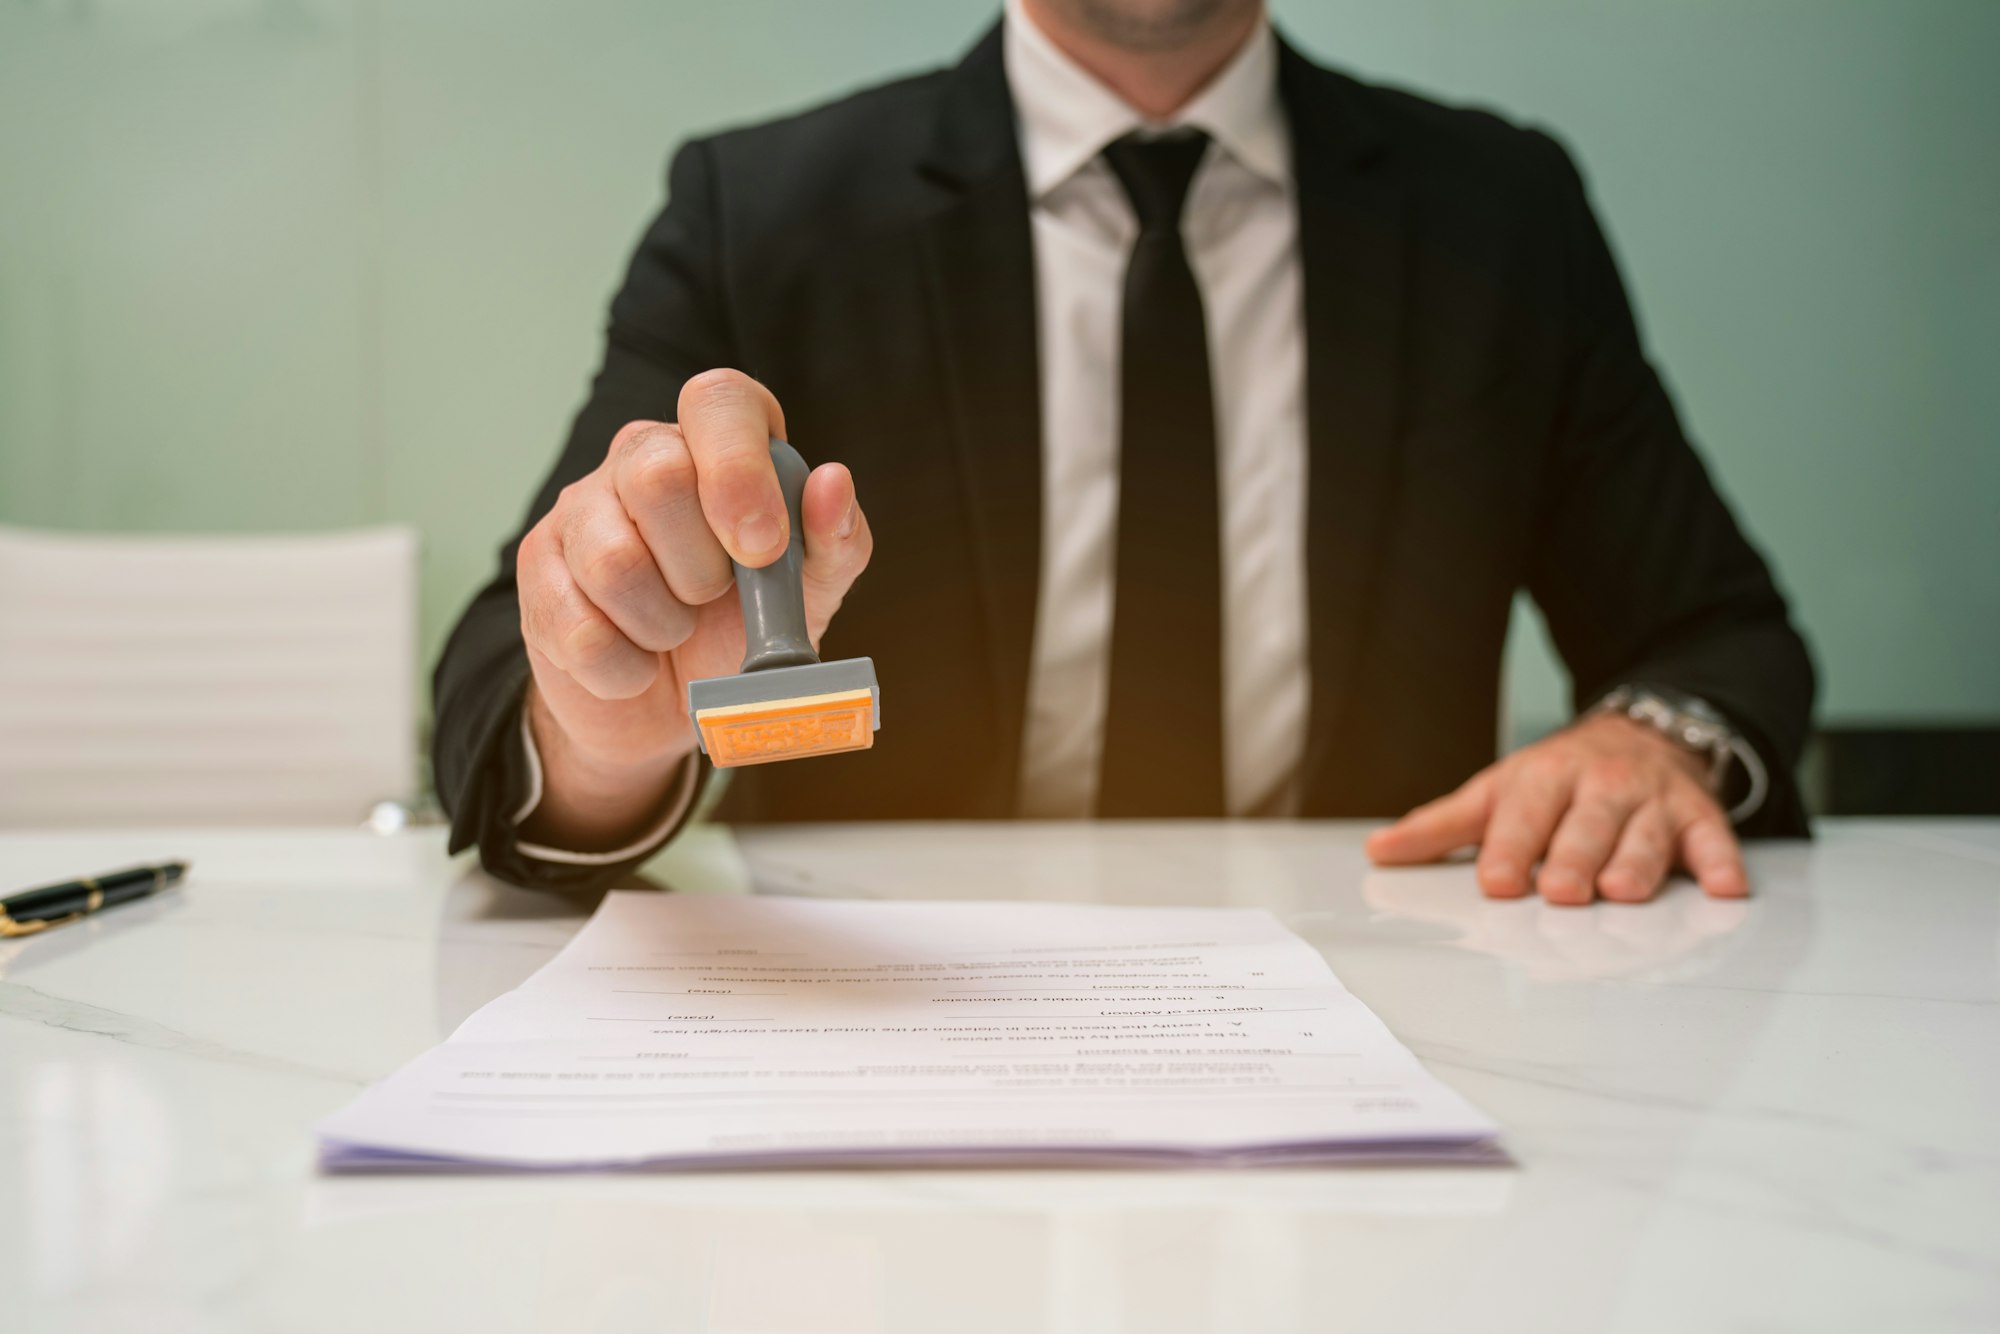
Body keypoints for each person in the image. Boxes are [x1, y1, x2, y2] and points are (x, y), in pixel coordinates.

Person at [433, 0, 1815, 905]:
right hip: (879, 1043)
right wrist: (606, 734)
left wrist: (1651, 741)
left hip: (1401, 1019)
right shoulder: (765, 210)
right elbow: (504, 676)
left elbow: (1720, 640)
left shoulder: (1499, 213)